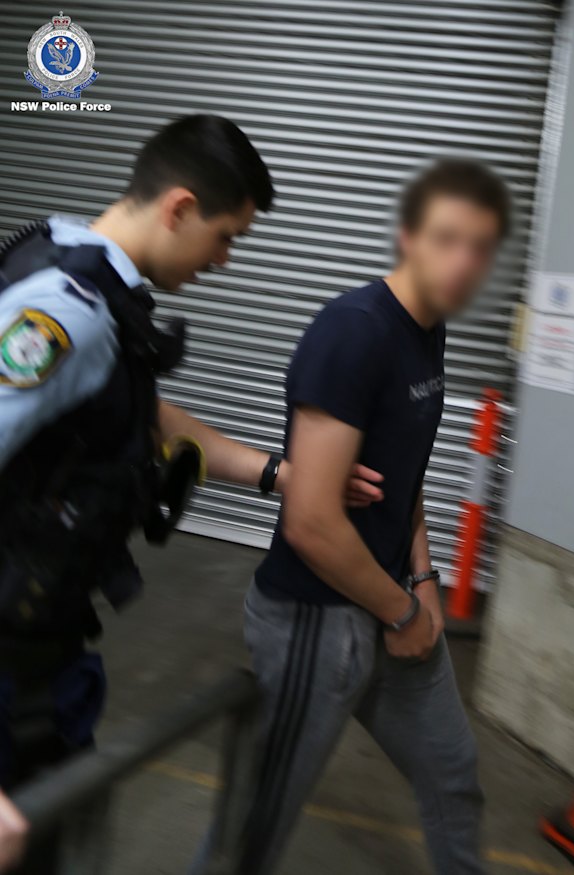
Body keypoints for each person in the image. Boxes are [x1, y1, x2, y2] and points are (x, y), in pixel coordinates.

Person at [0, 113, 379, 872]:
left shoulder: (80, 268)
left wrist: (280, 474)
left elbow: (140, 416)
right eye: (226, 236)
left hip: (43, 654)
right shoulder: (67, 310)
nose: (225, 260)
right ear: (179, 207)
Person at [194, 158, 512, 875]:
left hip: (393, 597)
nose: (464, 262)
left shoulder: (428, 331)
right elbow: (310, 522)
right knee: (251, 834)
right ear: (409, 237)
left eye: (481, 247)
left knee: (454, 775)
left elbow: (405, 475)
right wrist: (402, 613)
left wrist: (423, 579)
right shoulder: (354, 331)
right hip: (316, 618)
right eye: (448, 239)